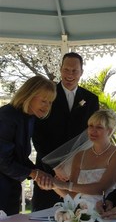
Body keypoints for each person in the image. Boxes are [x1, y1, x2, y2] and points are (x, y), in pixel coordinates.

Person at [32, 52, 99, 211]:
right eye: (66, 70)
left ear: (81, 72)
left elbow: (91, 136)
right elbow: (37, 134)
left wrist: (73, 167)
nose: (70, 74)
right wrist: (56, 166)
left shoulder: (90, 99)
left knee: (78, 213)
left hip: (77, 173)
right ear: (60, 70)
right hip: (47, 171)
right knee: (44, 213)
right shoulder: (47, 95)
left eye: (74, 71)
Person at [42, 109, 116, 206]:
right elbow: (73, 195)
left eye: (99, 127)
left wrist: (64, 185)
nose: (93, 131)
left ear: (109, 131)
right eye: (90, 126)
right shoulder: (80, 156)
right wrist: (53, 185)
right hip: (81, 211)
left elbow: (102, 188)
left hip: (107, 208)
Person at [0, 75, 56, 215]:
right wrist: (34, 173)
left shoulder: (28, 118)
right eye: (44, 101)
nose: (47, 106)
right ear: (29, 95)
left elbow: (19, 157)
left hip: (10, 189)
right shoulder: (6, 117)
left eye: (50, 102)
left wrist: (39, 173)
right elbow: (3, 161)